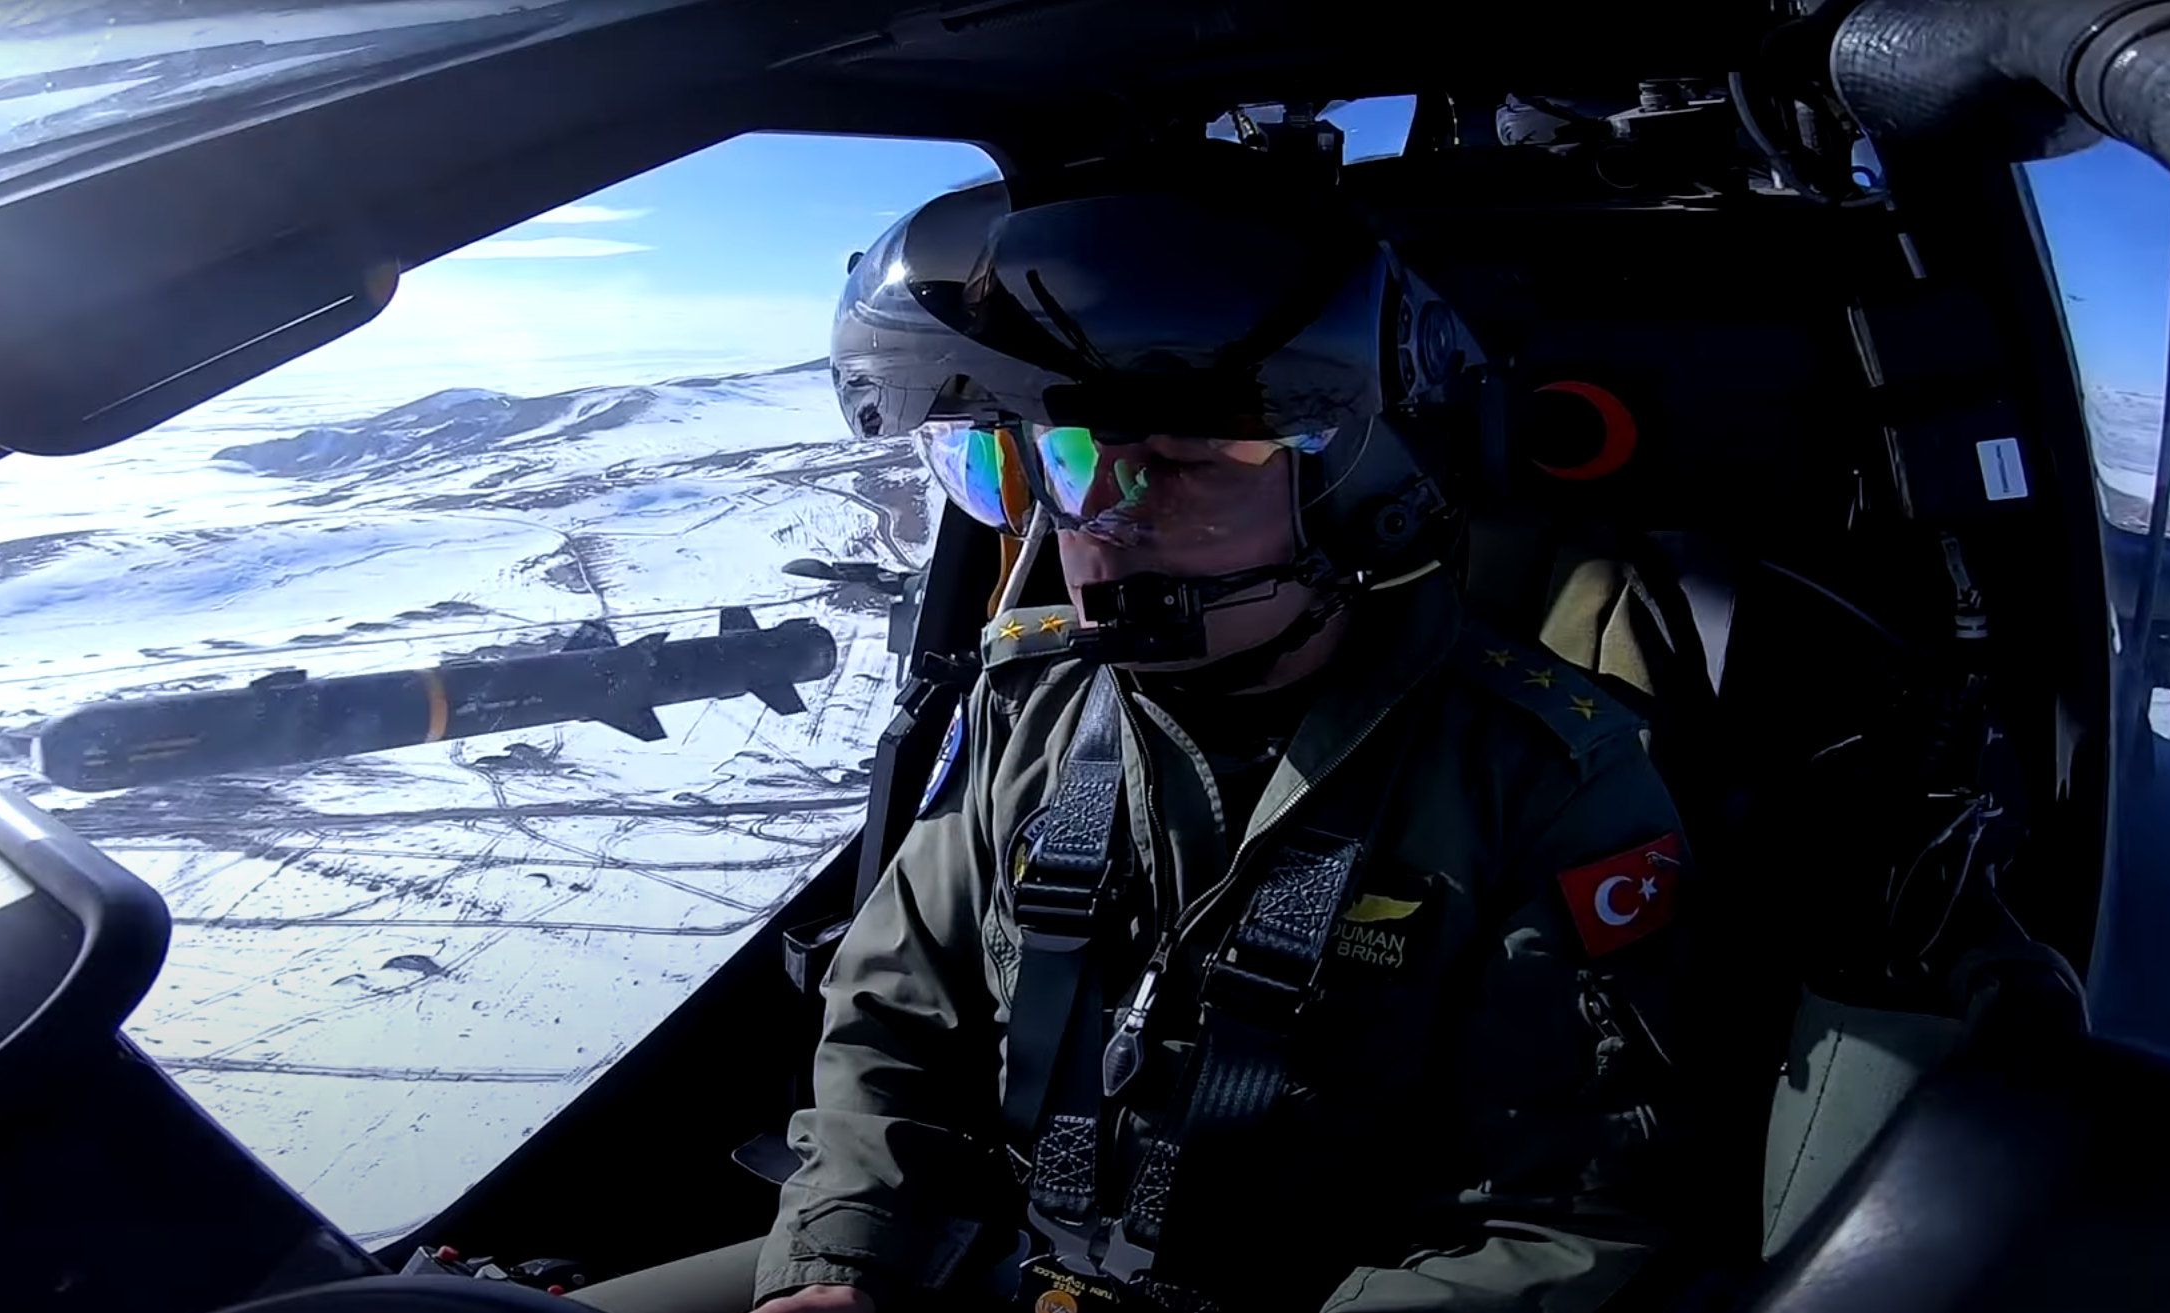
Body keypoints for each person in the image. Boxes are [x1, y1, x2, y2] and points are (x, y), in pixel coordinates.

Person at [575, 139, 1694, 1313]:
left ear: (1360, 487)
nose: (1095, 528)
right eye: (1061, 464)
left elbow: (1564, 1222)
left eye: (1179, 463)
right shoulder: (1030, 709)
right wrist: (841, 1257)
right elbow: (893, 1022)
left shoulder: (1544, 781)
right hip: (1009, 1257)